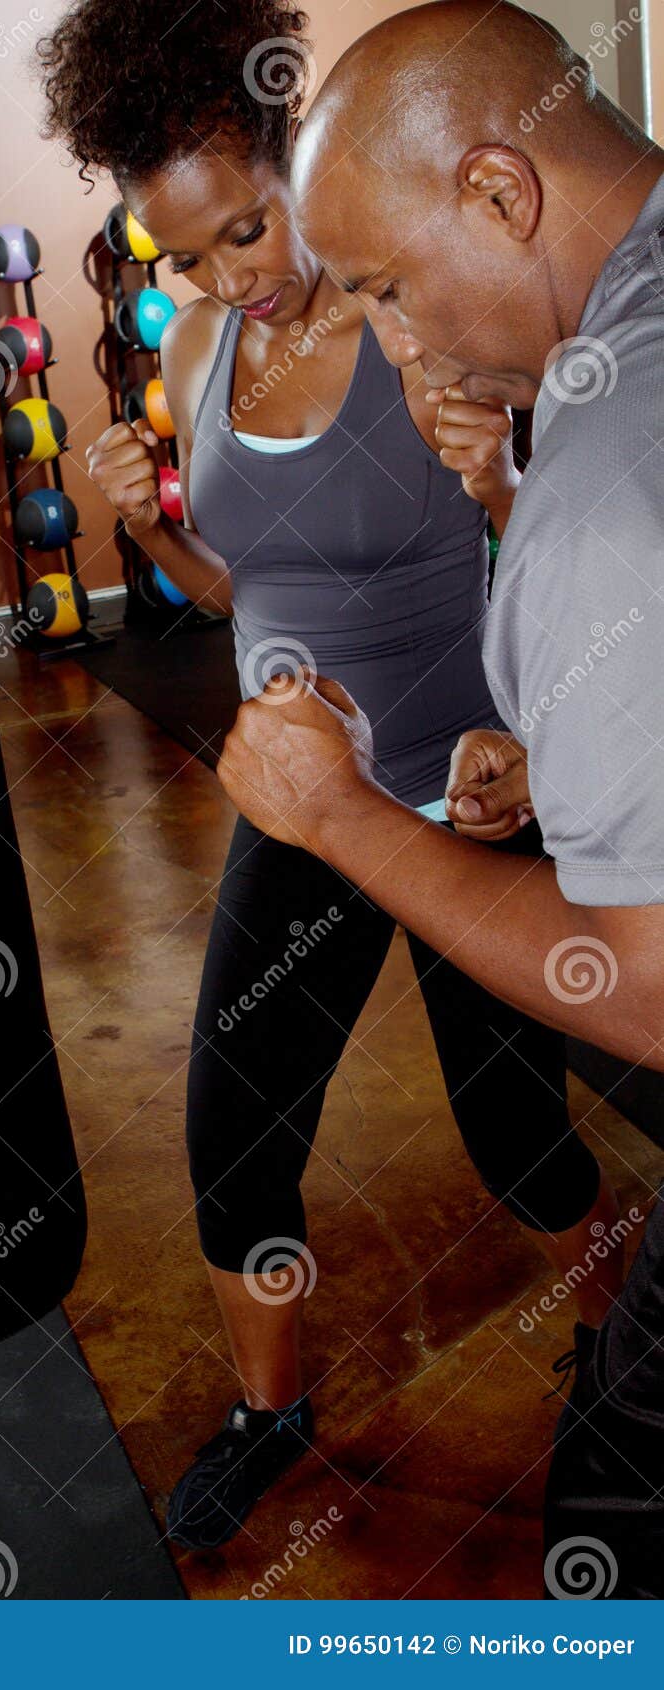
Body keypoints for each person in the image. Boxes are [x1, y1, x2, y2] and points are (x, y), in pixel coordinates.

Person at [38, 0, 619, 1553]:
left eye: (245, 227)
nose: (234, 276)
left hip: (458, 795)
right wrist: (138, 526)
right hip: (299, 809)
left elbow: (548, 560)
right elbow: (243, 589)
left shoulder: (428, 317)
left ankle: (618, 1340)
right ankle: (270, 1407)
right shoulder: (200, 346)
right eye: (191, 258)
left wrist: (493, 476)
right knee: (233, 1125)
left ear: (292, 155)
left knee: (518, 1137)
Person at [217, 0, 664, 1596]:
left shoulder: (604, 482)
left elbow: (653, 987)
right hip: (479, 782)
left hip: (395, 800)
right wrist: (564, 748)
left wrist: (338, 815)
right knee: (238, 1106)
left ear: (496, 191)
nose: (400, 340)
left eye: (396, 291)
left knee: (611, 1527)